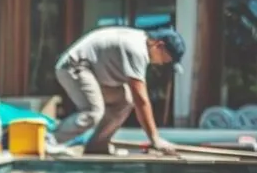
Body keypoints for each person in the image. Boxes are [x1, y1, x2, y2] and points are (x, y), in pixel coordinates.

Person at [51, 26, 185, 156]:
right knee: (93, 112)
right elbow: (141, 99)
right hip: (73, 66)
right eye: (166, 60)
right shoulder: (137, 50)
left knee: (125, 100)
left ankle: (98, 145)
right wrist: (155, 139)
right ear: (158, 46)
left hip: (93, 71)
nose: (163, 64)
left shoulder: (140, 42)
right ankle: (49, 141)